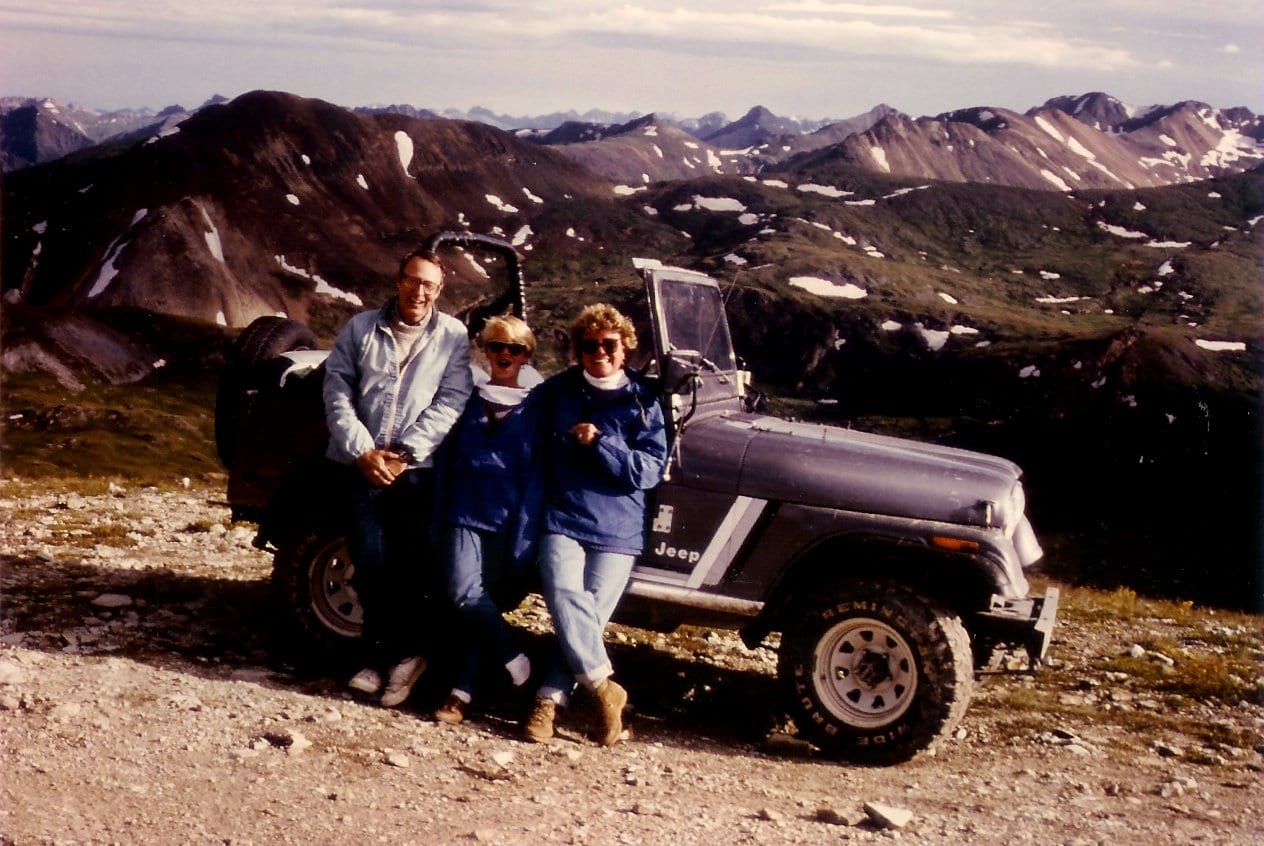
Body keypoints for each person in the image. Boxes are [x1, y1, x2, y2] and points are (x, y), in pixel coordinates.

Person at [323, 247, 473, 708]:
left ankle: (406, 660)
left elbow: (451, 400)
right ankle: (378, 658)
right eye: (412, 280)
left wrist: (407, 453)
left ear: (439, 290)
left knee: (411, 566)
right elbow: (337, 388)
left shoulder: (452, 336)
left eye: (429, 284)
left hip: (414, 471)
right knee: (369, 561)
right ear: (398, 281)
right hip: (362, 465)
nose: (419, 291)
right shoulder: (361, 328)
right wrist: (362, 450)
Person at [522, 303, 668, 746]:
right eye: (590, 346)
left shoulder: (645, 401)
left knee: (587, 615)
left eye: (609, 344)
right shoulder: (556, 393)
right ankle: (606, 690)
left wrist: (602, 444)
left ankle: (549, 697)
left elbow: (647, 470)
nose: (599, 352)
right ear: (578, 350)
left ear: (625, 348)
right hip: (563, 516)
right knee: (567, 597)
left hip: (618, 528)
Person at [432, 316, 539, 725]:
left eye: (515, 349)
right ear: (486, 351)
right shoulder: (468, 399)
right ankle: (514, 655)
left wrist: (525, 532)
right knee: (464, 594)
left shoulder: (536, 407)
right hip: (463, 511)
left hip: (506, 520)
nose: (505, 355)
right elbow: (446, 461)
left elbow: (536, 476)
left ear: (527, 355)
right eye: (496, 347)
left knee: (483, 602)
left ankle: (461, 693)